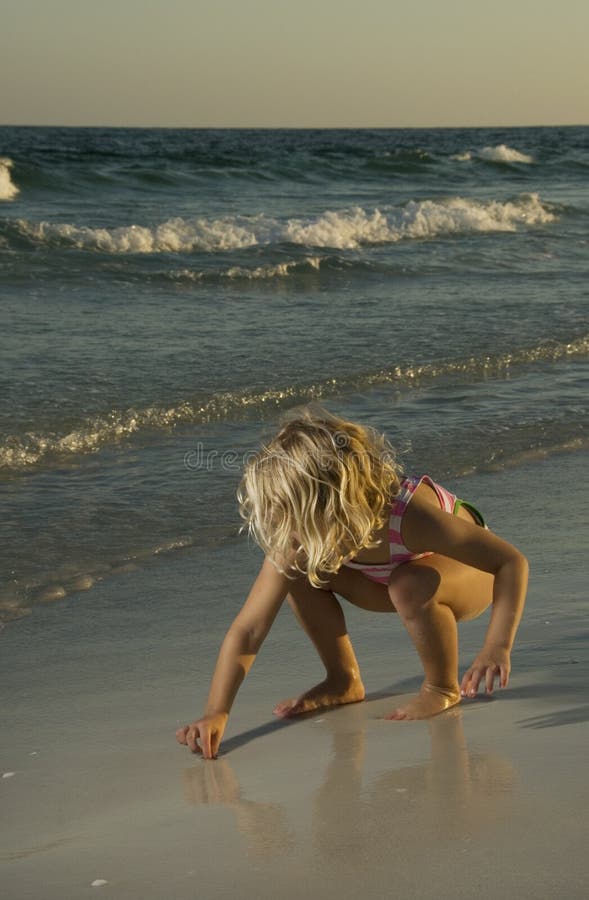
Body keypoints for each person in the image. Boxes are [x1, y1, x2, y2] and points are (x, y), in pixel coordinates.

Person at [176, 407, 528, 759]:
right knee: (299, 570)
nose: (288, 533)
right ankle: (343, 679)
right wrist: (216, 712)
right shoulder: (299, 538)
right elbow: (249, 629)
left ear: (334, 506)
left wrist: (496, 646)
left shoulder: (407, 517)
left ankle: (441, 686)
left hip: (469, 576)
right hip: (392, 580)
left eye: (294, 519)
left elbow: (509, 562)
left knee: (408, 584)